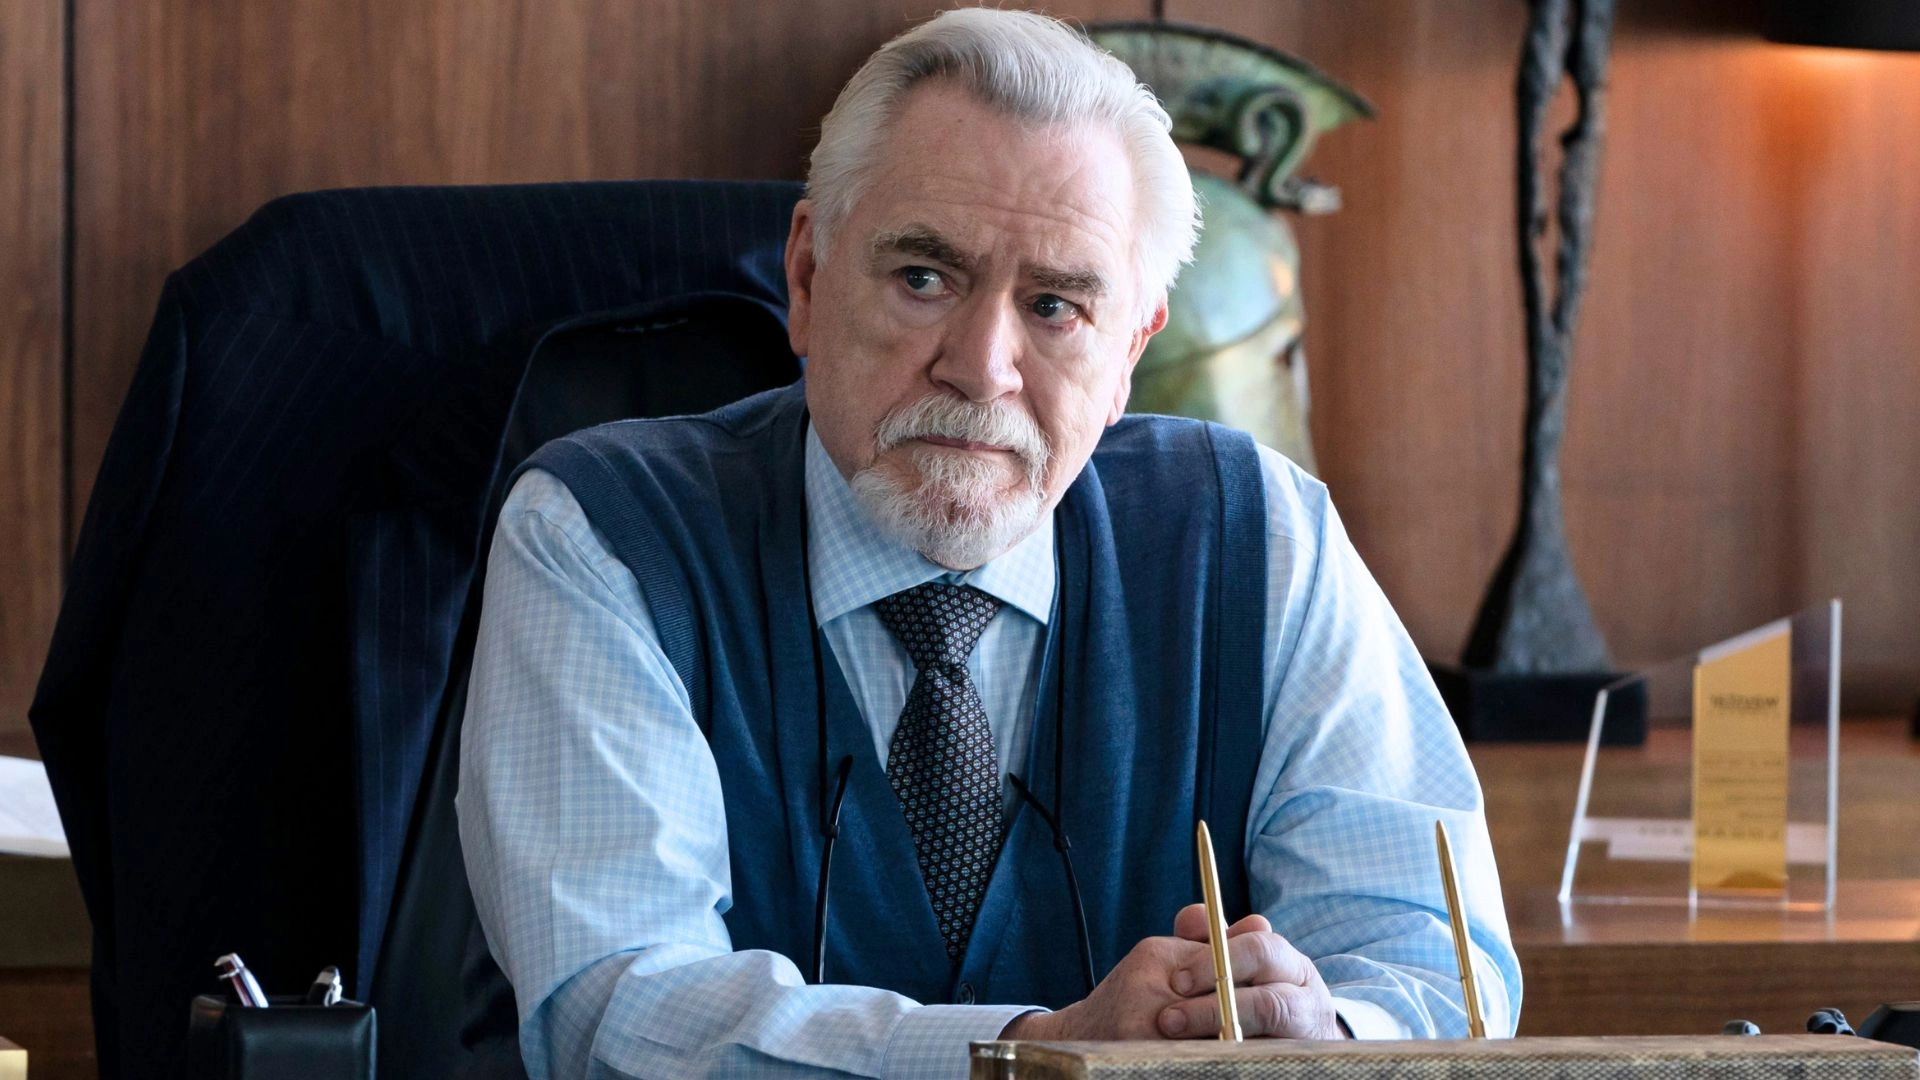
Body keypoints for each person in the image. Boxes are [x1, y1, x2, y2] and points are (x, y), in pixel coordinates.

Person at [456, 8, 1521, 1078]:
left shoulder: (1260, 539)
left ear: (1130, 352)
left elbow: (1439, 970)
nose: (980, 368)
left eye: (1055, 306)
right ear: (808, 278)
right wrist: (1037, 1056)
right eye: (924, 278)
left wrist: (1326, 1040)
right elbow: (615, 1006)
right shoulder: (606, 535)